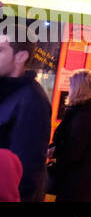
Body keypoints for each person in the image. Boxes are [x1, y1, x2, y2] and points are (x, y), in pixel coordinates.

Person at [0, 29, 52, 201]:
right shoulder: (6, 91)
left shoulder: (33, 101)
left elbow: (26, 173)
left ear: (21, 57)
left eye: (0, 50)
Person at [48, 68, 91, 202]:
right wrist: (56, 149)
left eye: (71, 86)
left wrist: (49, 170)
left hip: (79, 186)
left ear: (78, 89)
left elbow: (72, 154)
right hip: (86, 183)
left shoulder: (84, 118)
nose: (69, 90)